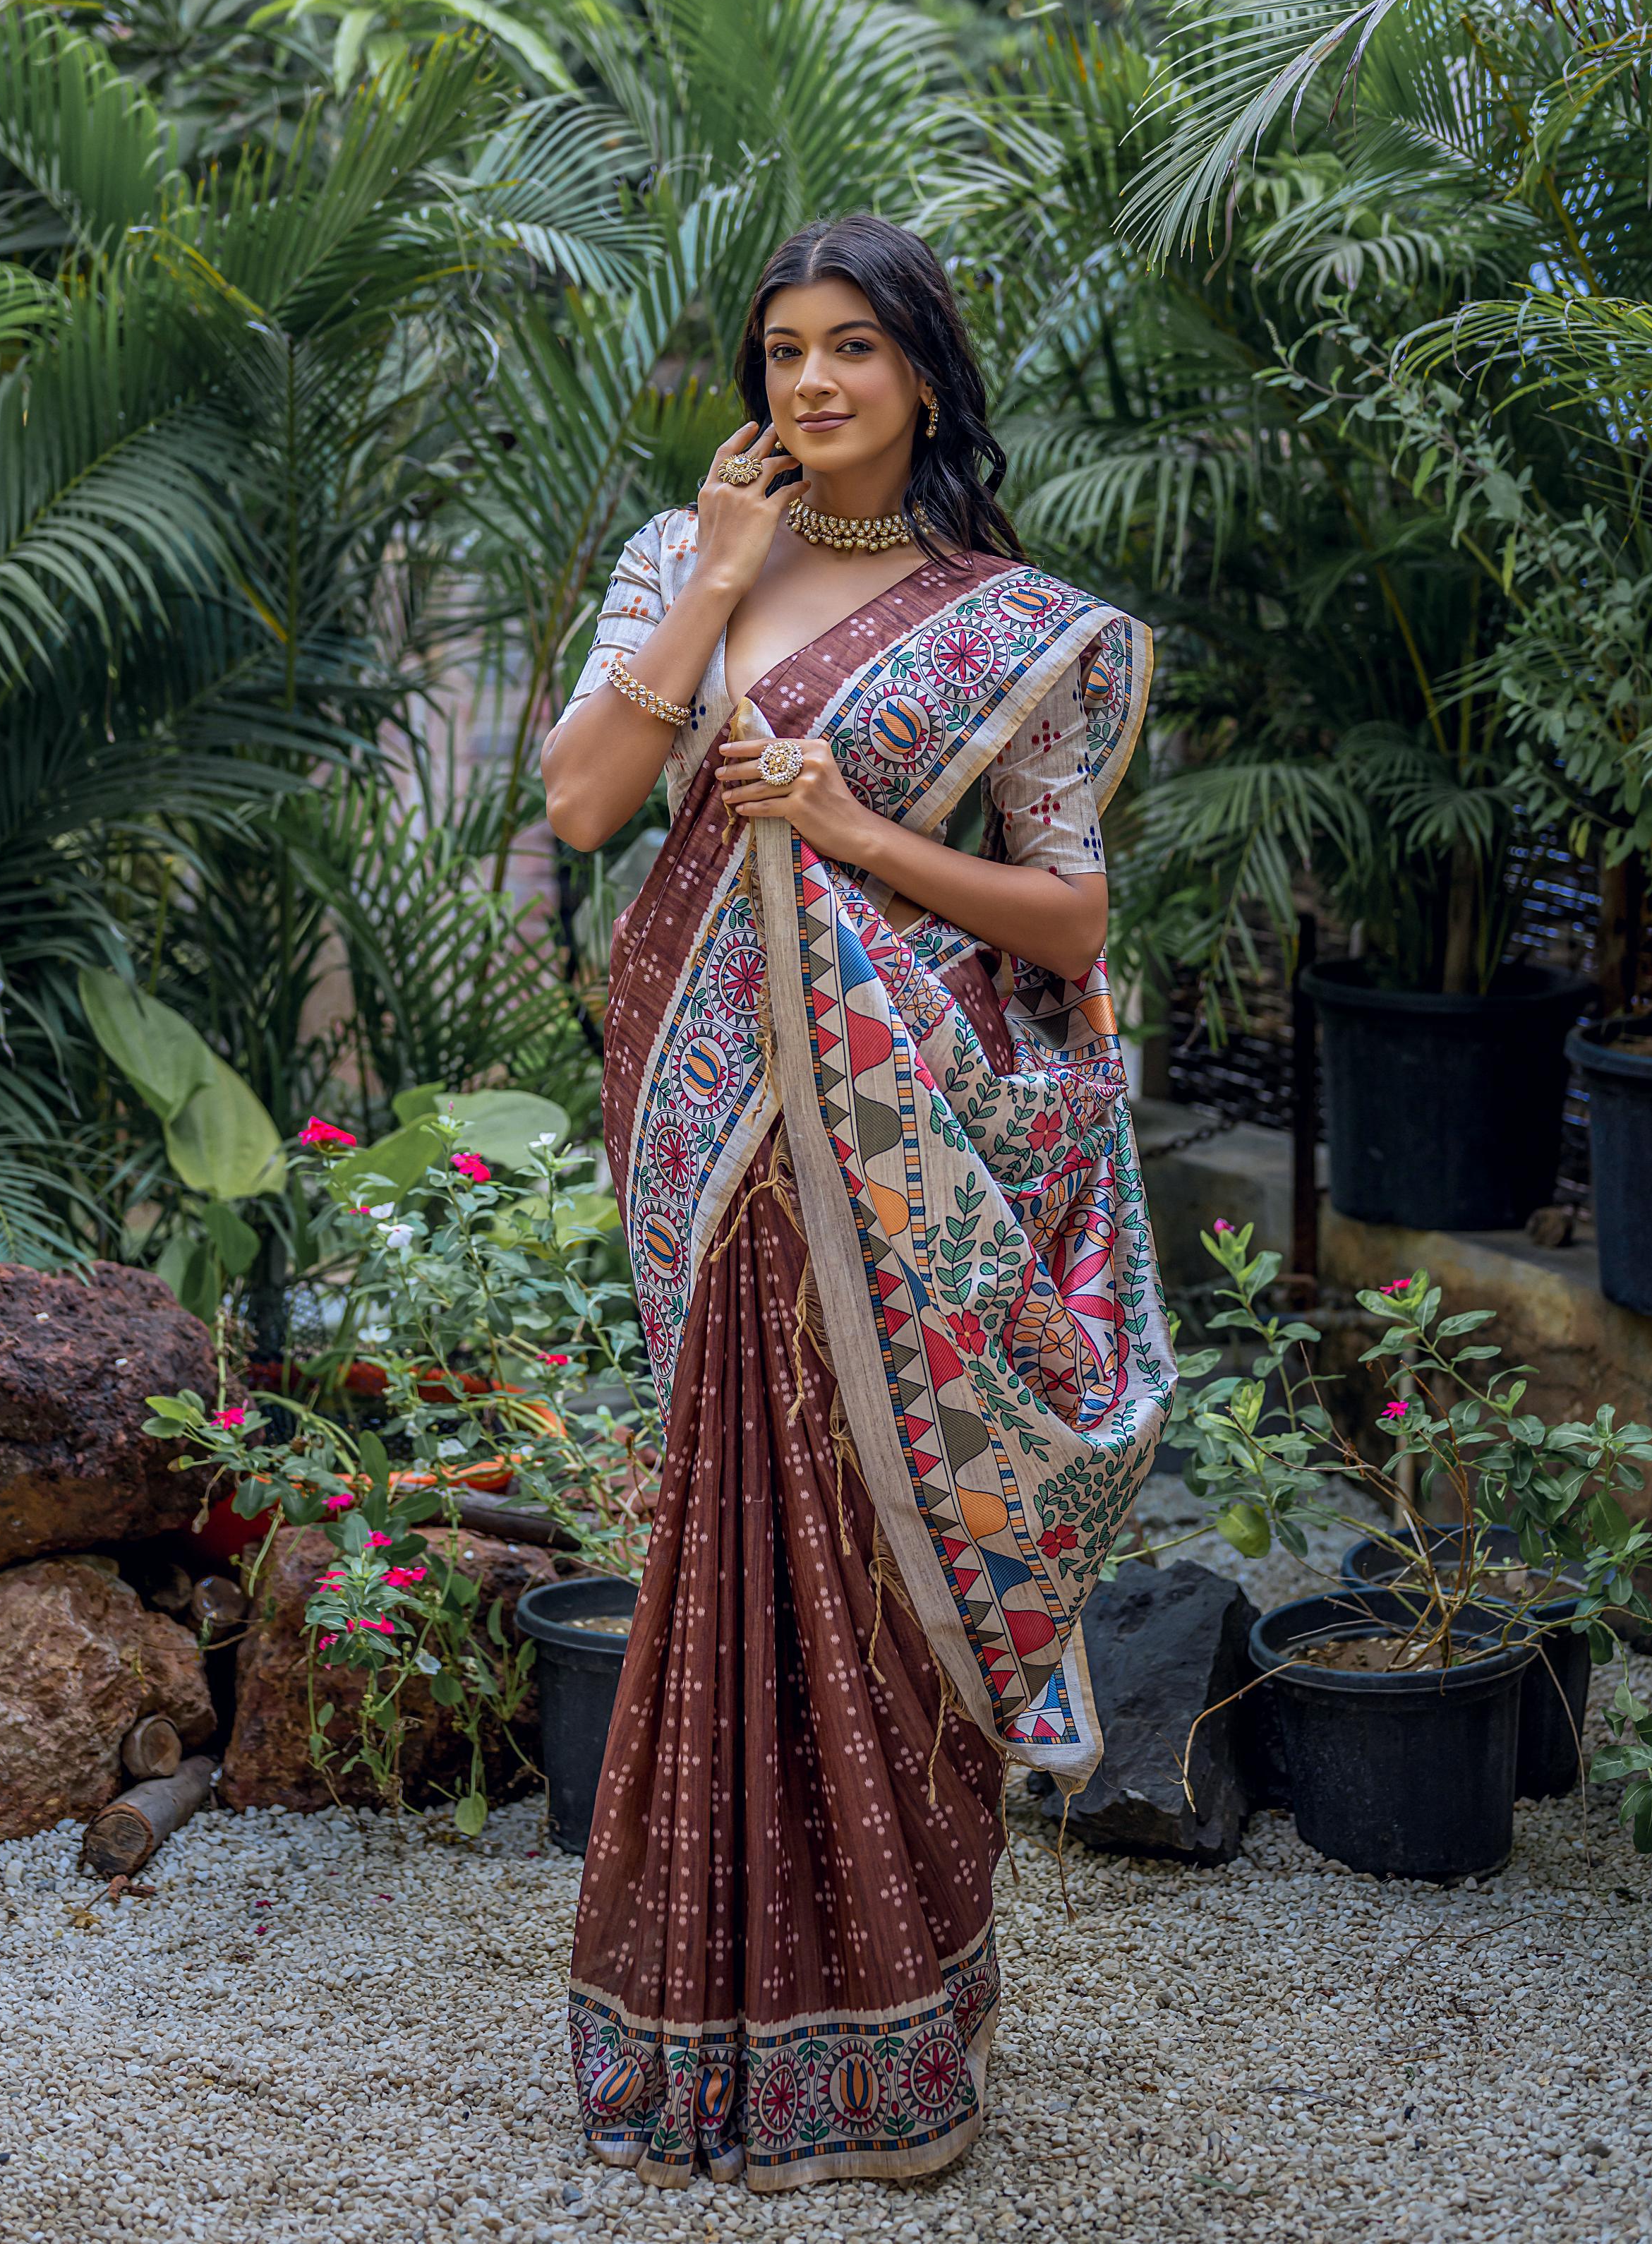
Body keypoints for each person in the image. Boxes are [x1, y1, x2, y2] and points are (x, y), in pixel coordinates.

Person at [541, 214, 1176, 2195]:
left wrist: (847, 825)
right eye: (782, 353)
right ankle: (703, 2048)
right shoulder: (682, 560)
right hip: (709, 1130)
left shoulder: (1012, 625)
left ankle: (893, 2051)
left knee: (873, 1548)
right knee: (733, 1540)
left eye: (853, 353)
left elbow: (1070, 918)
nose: (810, 386)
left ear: (922, 378)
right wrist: (722, 576)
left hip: (904, 1164)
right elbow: (578, 803)